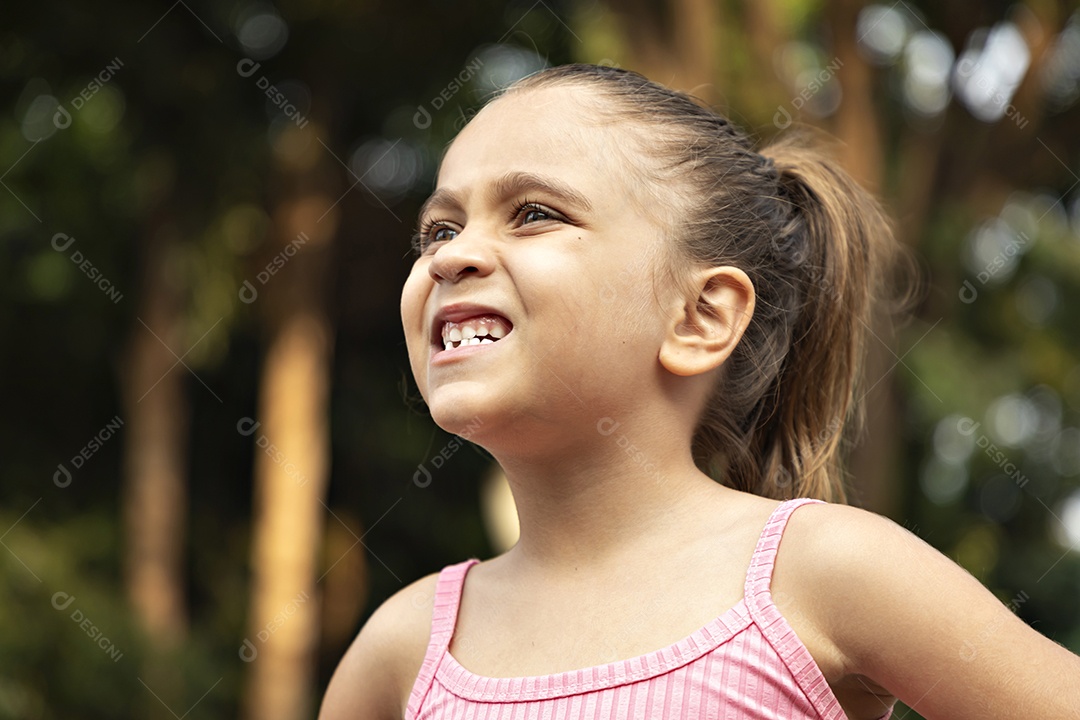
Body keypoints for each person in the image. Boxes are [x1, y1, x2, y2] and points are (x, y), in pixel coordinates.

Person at [319, 64, 1080, 719]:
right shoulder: (404, 649)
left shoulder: (824, 572)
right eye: (439, 229)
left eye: (534, 214)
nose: (454, 257)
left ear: (701, 317)